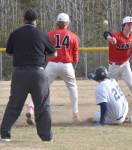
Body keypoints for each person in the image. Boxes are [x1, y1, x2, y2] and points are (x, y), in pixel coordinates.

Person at [0, 9, 56, 142]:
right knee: (42, 105)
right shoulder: (42, 34)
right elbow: (53, 53)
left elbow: (9, 52)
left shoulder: (15, 33)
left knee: (14, 104)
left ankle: (5, 135)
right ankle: (46, 137)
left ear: (24, 19)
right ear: (36, 20)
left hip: (19, 73)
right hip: (38, 73)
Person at [26, 12, 80, 125]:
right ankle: (75, 114)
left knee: (40, 88)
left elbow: (43, 50)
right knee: (72, 88)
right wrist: (72, 66)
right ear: (67, 23)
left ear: (57, 23)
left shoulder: (49, 34)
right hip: (67, 64)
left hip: (52, 64)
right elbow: (75, 57)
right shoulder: (73, 36)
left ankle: (31, 108)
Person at [103, 16, 132, 115]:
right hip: (113, 67)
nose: (131, 26)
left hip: (125, 66)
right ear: (124, 26)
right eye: (129, 24)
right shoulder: (116, 36)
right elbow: (106, 33)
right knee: (108, 88)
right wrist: (109, 38)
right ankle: (107, 110)